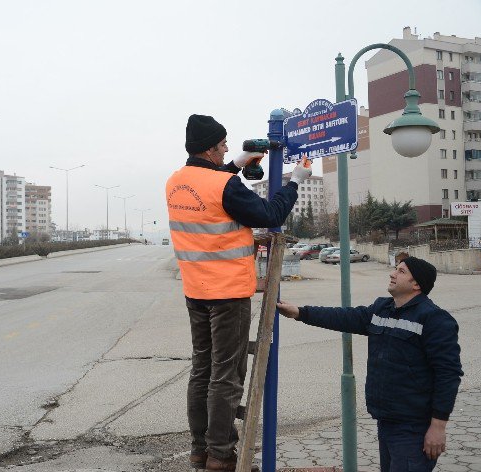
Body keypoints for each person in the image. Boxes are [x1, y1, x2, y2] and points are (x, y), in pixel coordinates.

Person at [165, 114, 312, 471]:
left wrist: (237, 165)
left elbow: (207, 191)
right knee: (226, 375)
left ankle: (200, 449)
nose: (228, 148)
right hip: (228, 293)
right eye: (224, 145)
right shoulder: (224, 186)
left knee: (202, 368)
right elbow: (268, 213)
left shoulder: (175, 181)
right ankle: (221, 454)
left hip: (195, 291)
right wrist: (295, 180)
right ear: (210, 148)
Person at [277, 257, 463, 472]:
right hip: (386, 421)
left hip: (414, 427)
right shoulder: (382, 309)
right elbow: (344, 317)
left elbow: (448, 375)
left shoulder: (434, 319)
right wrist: (300, 312)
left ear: (417, 284)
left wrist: (438, 427)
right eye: (395, 269)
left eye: (401, 271)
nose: (393, 274)